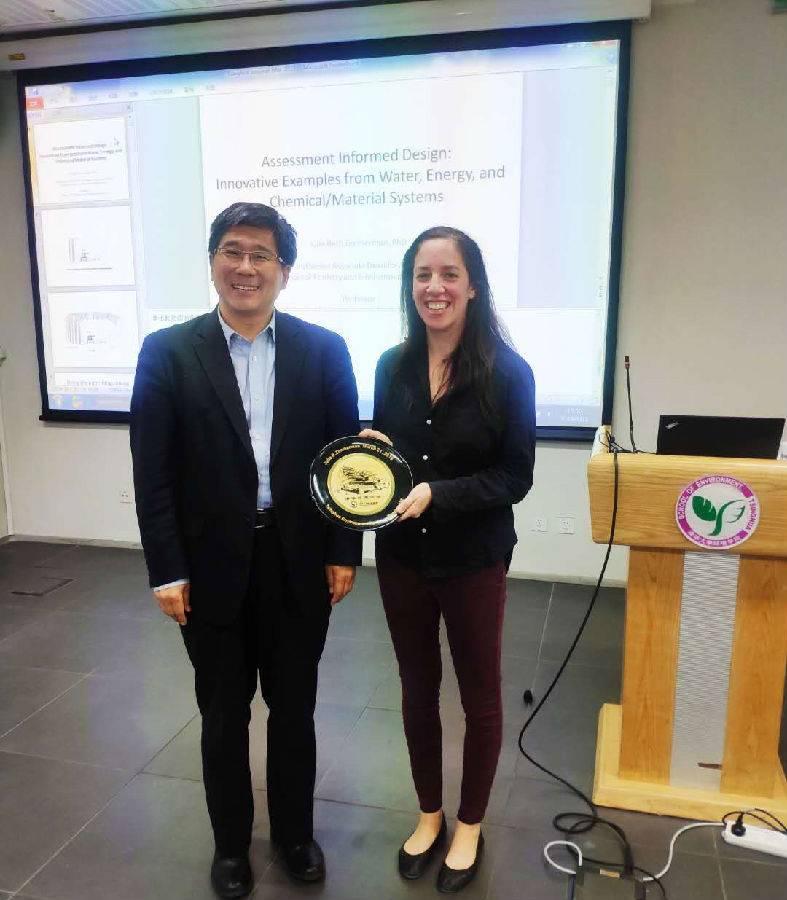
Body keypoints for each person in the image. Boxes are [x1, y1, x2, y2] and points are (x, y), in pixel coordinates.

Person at [130, 202, 361, 899]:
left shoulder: (325, 350)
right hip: (209, 570)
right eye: (232, 251)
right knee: (223, 715)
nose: (245, 267)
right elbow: (153, 473)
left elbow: (345, 464)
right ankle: (230, 846)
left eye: (261, 254)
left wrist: (343, 549)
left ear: (284, 271)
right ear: (212, 262)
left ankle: (294, 836)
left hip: (298, 563)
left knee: (294, 711)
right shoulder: (168, 352)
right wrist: (166, 568)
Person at [360, 226, 535, 893]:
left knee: (479, 695)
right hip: (402, 555)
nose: (434, 287)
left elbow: (515, 476)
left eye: (448, 274)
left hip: (472, 558)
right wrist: (375, 453)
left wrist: (440, 492)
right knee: (416, 688)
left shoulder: (507, 373)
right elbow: (397, 459)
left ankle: (469, 824)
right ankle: (429, 814)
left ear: (473, 285)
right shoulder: (391, 365)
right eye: (422, 275)